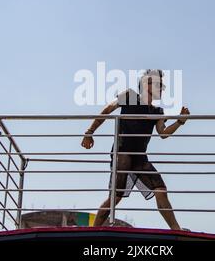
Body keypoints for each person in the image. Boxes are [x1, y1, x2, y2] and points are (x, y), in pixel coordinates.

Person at [81, 69, 190, 230]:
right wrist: (89, 132)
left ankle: (176, 229)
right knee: (115, 198)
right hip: (123, 154)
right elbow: (106, 111)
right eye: (160, 84)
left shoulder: (157, 111)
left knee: (160, 190)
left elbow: (163, 133)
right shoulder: (129, 96)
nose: (162, 89)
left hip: (140, 157)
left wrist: (180, 122)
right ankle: (94, 230)